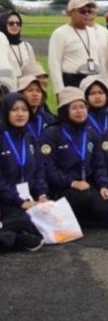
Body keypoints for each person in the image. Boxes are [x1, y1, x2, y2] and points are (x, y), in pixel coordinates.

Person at [40, 87, 108, 229]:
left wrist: (103, 185)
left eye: (82, 107)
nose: (79, 111)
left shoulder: (91, 133)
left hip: (87, 186)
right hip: (61, 188)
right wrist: (71, 182)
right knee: (84, 199)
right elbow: (48, 168)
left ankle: (78, 221)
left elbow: (99, 164)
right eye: (74, 108)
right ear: (65, 111)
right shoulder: (51, 133)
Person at [0, 93, 49, 252]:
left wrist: (42, 195)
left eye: (24, 109)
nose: (20, 114)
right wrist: (20, 201)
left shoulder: (30, 139)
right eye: (14, 110)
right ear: (6, 112)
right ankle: (17, 240)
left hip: (28, 199)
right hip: (6, 200)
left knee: (37, 221)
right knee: (24, 221)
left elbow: (38, 171)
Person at [48, 0, 108, 91]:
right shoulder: (60, 33)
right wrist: (59, 90)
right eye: (83, 11)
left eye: (89, 11)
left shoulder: (94, 32)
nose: (87, 14)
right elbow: (54, 64)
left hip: (95, 80)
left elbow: (102, 60)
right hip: (73, 81)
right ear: (71, 13)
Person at [0, 11, 38, 92]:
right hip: (8, 89)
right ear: (3, 24)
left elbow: (34, 69)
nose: (15, 25)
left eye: (18, 23)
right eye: (11, 23)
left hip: (27, 89)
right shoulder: (2, 46)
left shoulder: (26, 46)